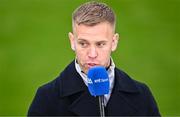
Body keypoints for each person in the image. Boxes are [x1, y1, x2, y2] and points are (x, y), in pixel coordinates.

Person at [28, 1, 160, 116]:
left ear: (114, 42)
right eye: (83, 43)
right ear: (72, 41)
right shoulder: (47, 98)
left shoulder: (142, 95)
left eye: (100, 44)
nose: (92, 54)